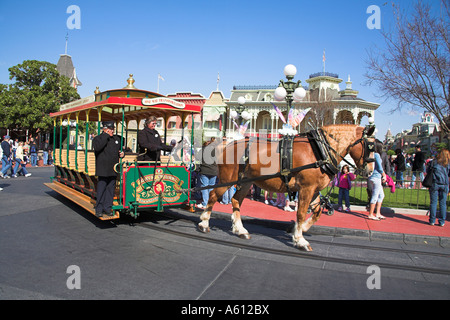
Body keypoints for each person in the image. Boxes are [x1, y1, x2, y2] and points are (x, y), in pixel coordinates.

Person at [92, 121, 124, 217]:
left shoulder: (115, 139)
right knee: (101, 189)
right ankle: (99, 209)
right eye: (110, 129)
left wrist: (122, 154)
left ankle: (107, 208)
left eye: (113, 129)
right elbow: (98, 148)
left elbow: (120, 150)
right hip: (103, 168)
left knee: (110, 189)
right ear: (105, 129)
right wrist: (106, 135)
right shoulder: (98, 139)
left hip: (113, 168)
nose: (112, 131)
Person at [427, 149, 450, 226]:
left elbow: (428, 171)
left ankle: (432, 220)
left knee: (433, 202)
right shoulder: (448, 164)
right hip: (444, 184)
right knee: (443, 203)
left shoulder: (433, 162)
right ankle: (442, 221)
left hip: (435, 183)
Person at [367, 143, 387, 220]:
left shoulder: (371, 154)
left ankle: (378, 213)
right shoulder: (377, 155)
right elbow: (379, 166)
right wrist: (383, 174)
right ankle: (371, 214)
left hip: (372, 176)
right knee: (375, 195)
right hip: (376, 176)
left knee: (381, 195)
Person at [197, 139, 218, 209]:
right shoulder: (215, 150)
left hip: (205, 170)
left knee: (204, 187)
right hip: (214, 170)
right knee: (211, 187)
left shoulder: (202, 150)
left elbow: (197, 158)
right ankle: (209, 202)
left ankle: (205, 203)